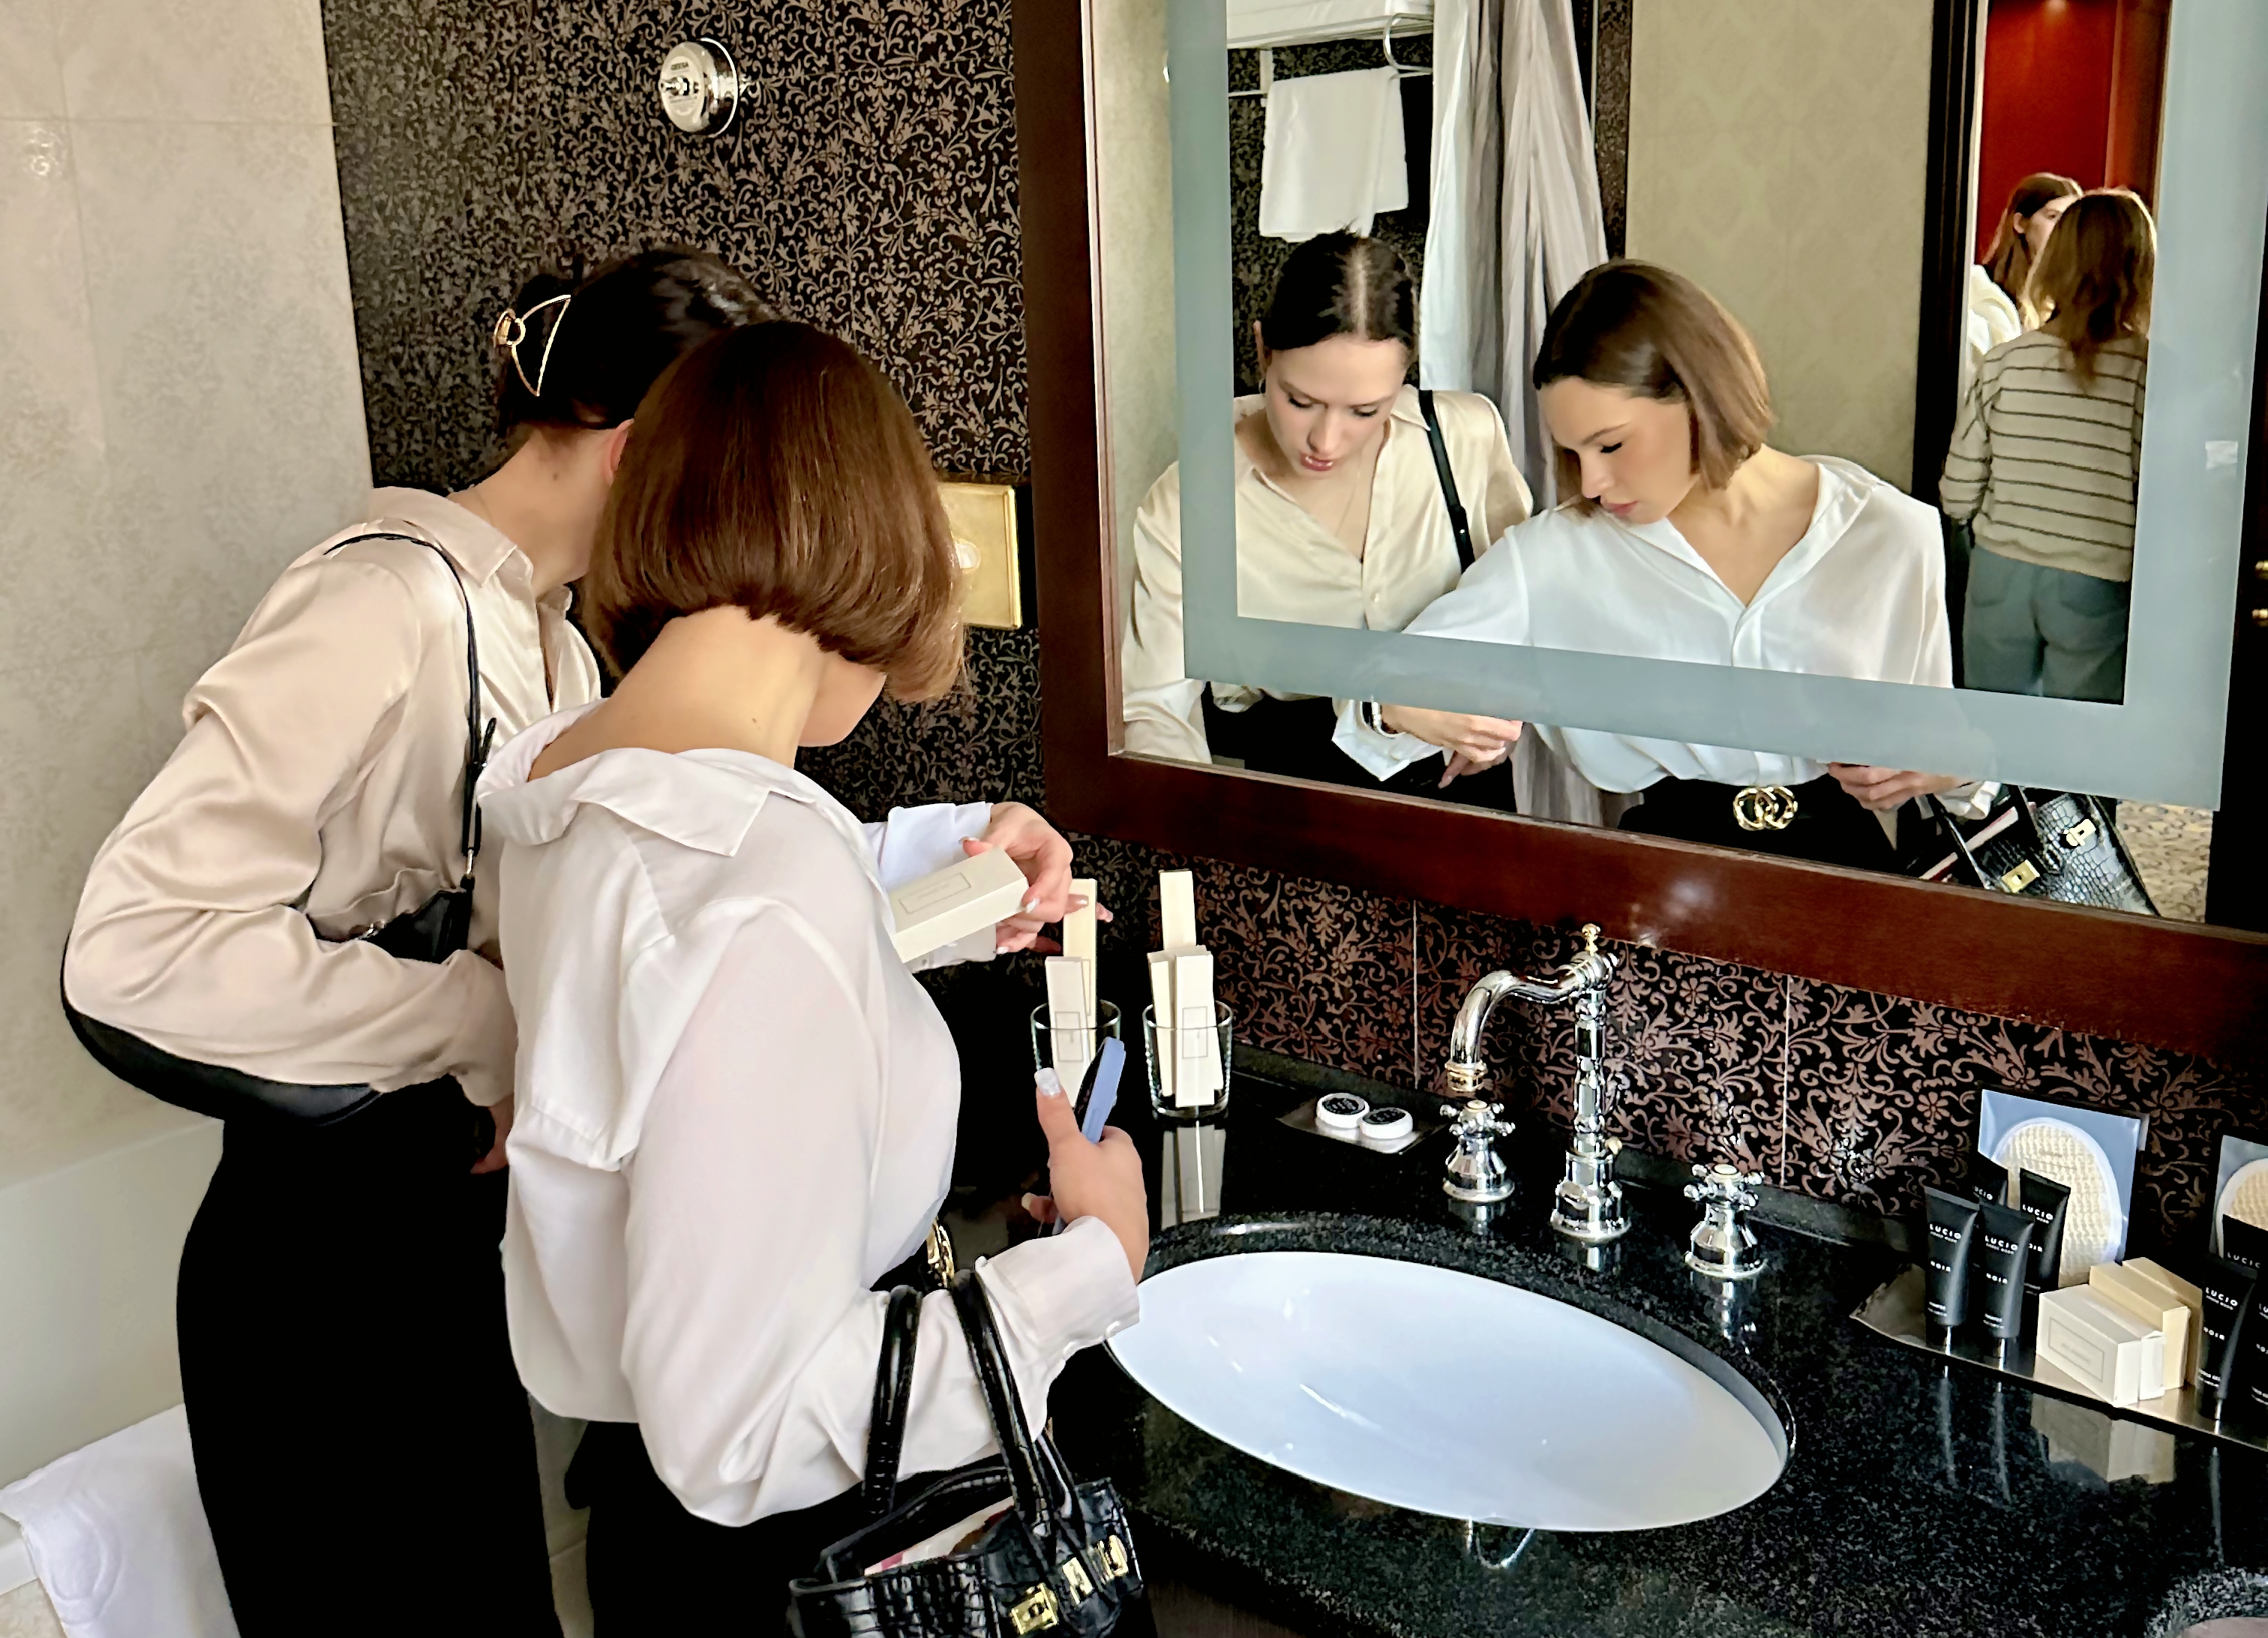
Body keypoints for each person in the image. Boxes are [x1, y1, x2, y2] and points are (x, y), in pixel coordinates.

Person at [60, 249, 1084, 1636]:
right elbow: (132, 948)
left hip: (450, 1237)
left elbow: (664, 881)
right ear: (641, 455)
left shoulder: (560, 656)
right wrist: (481, 1022)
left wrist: (938, 858)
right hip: (328, 1256)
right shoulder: (384, 605)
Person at [476, 320, 1150, 1630]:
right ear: (871, 544)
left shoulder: (564, 779)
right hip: (788, 1563)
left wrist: (955, 884)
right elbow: (744, 1429)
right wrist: (1091, 1263)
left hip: (647, 1547)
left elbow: (686, 961)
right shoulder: (763, 883)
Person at [1337, 261, 1990, 871]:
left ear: (1701, 395)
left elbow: (1950, 762)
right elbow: (1376, 690)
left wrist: (1949, 768)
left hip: (1849, 877)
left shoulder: (1891, 532)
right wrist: (1399, 708)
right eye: (1574, 453)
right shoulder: (1555, 556)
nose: (1591, 482)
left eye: (1611, 445)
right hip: (1661, 877)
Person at [1120, 230, 1531, 802]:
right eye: (1300, 401)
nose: (1326, 440)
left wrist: (1503, 709)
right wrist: (1203, 826)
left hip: (1468, 791)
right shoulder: (1193, 499)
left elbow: (1524, 605)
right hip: (1297, 792)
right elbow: (1154, 710)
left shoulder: (1464, 436)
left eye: (1365, 410)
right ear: (1263, 350)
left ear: (1405, 373)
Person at [1942, 188, 2154, 704]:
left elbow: (1957, 492)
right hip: (2097, 576)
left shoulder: (2005, 362)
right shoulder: (2148, 372)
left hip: (2000, 570)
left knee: (1993, 726)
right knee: (2080, 737)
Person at [1964, 172, 2081, 394]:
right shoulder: (1980, 290)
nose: (2062, 230)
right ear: (2020, 223)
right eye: (2053, 217)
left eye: (2071, 222)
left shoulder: (2070, 301)